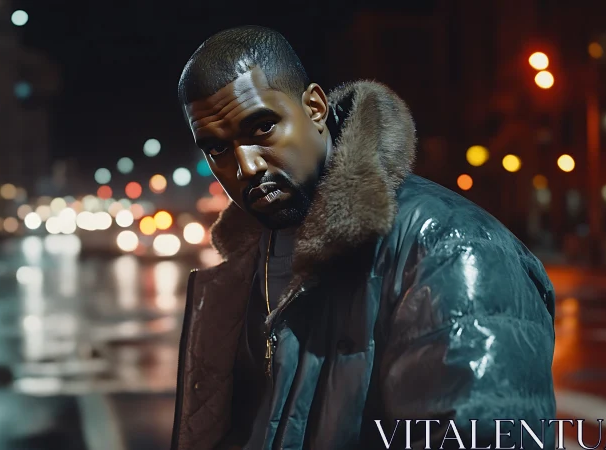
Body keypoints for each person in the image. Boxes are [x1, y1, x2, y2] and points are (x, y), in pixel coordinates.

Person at [171, 26, 556, 450]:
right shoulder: (245, 268)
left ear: (315, 108)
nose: (245, 166)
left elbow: (485, 437)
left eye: (262, 128)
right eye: (218, 150)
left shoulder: (450, 246)